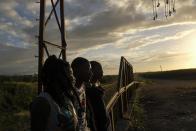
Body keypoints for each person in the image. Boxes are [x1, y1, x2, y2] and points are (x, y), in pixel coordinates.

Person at [30, 55, 78, 131]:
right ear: (57, 77)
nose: (73, 78)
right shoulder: (42, 103)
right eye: (70, 74)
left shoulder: (66, 98)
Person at [85, 61, 110, 131]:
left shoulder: (96, 87)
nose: (102, 72)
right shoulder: (89, 91)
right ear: (92, 71)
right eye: (100, 69)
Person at [71, 57, 92, 131]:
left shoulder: (83, 86)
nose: (91, 73)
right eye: (88, 69)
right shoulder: (70, 92)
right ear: (77, 71)